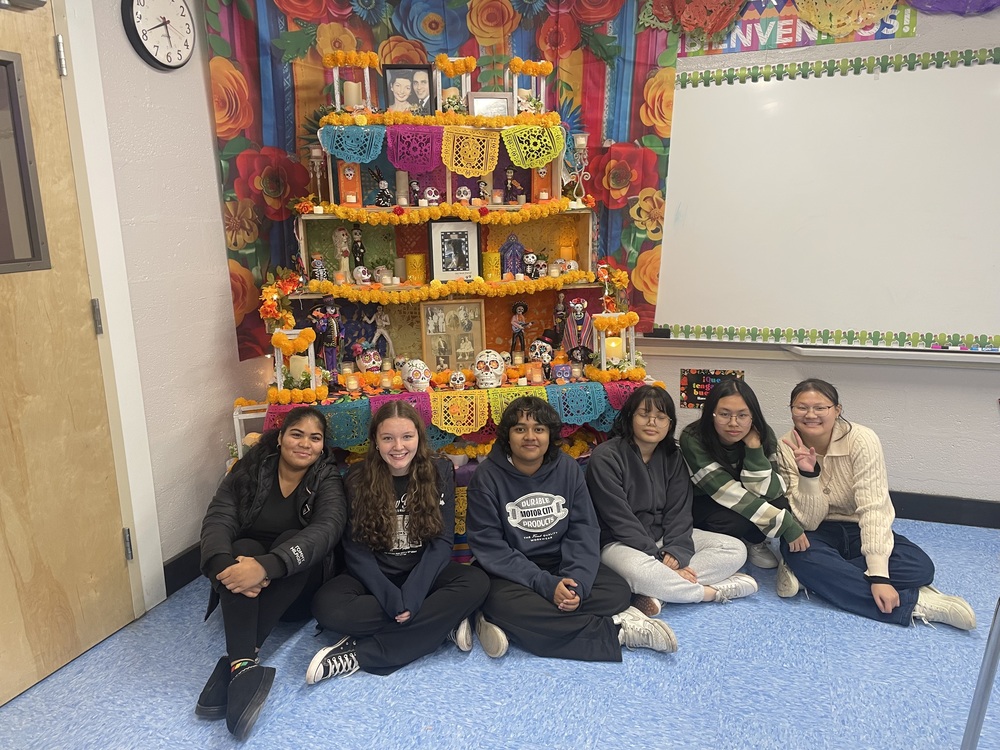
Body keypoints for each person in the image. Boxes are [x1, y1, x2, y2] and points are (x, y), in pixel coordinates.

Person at [467, 396, 677, 662]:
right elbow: (489, 546)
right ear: (507, 436)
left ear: (550, 435)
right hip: (513, 572)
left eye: (539, 429)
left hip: (560, 561)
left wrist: (575, 584)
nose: (530, 437)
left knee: (616, 592)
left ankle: (516, 626)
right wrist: (545, 585)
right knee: (501, 601)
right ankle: (619, 633)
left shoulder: (567, 468)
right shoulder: (486, 476)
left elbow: (583, 529)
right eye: (520, 429)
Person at [307, 401, 489, 682]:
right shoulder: (356, 478)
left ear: (419, 437)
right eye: (387, 438)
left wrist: (415, 593)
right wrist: (391, 597)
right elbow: (355, 549)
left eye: (407, 437)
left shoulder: (439, 470)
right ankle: (442, 625)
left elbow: (442, 541)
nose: (398, 446)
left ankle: (360, 653)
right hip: (375, 574)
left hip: (424, 572)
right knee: (326, 606)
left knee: (477, 582)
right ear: (375, 442)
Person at [776, 378, 975, 629]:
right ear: (791, 410)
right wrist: (809, 475)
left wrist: (879, 575)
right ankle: (915, 605)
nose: (810, 415)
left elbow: (874, 508)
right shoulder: (787, 446)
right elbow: (808, 520)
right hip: (815, 532)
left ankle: (813, 577)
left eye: (820, 408)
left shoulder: (862, 439)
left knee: (919, 567)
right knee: (801, 551)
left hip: (857, 526)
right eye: (801, 407)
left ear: (837, 410)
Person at [197, 407, 346, 740]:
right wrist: (224, 566)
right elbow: (219, 516)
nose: (305, 443)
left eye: (315, 438)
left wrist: (266, 567)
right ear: (280, 438)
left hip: (297, 589)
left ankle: (235, 658)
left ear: (322, 446)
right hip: (243, 579)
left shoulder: (327, 477)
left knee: (290, 540)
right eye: (297, 434)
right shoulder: (250, 468)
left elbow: (326, 530)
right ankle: (243, 664)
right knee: (244, 544)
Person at [587, 386, 757, 617]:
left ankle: (656, 591)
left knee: (735, 549)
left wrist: (677, 551)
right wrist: (656, 557)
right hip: (620, 543)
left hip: (663, 537)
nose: (652, 422)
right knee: (641, 572)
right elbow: (618, 518)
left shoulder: (672, 455)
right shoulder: (606, 456)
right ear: (629, 417)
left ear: (670, 422)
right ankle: (712, 592)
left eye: (660, 417)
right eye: (644, 415)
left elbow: (679, 510)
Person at [679, 377, 805, 569]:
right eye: (724, 414)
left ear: (753, 415)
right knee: (735, 522)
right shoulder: (693, 437)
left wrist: (754, 448)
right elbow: (725, 491)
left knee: (781, 504)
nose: (733, 423)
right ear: (711, 413)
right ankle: (738, 542)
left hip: (747, 493)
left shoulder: (763, 433)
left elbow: (770, 491)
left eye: (742, 415)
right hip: (707, 500)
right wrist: (784, 523)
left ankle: (754, 540)